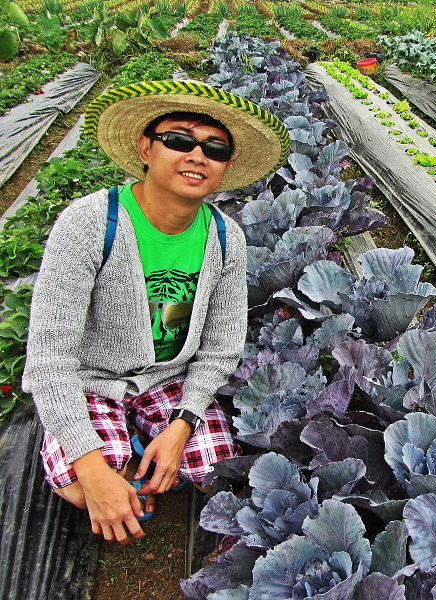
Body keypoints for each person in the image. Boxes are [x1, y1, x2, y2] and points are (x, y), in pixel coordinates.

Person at [22, 80, 290, 545]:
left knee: (212, 465)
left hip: (169, 380)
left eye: (215, 148)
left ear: (225, 166)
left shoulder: (225, 238)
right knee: (81, 488)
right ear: (146, 147)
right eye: (179, 139)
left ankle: (136, 443)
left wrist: (183, 423)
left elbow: (222, 349)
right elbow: (48, 359)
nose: (196, 155)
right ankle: (96, 442)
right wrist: (90, 464)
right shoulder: (89, 224)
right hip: (92, 377)